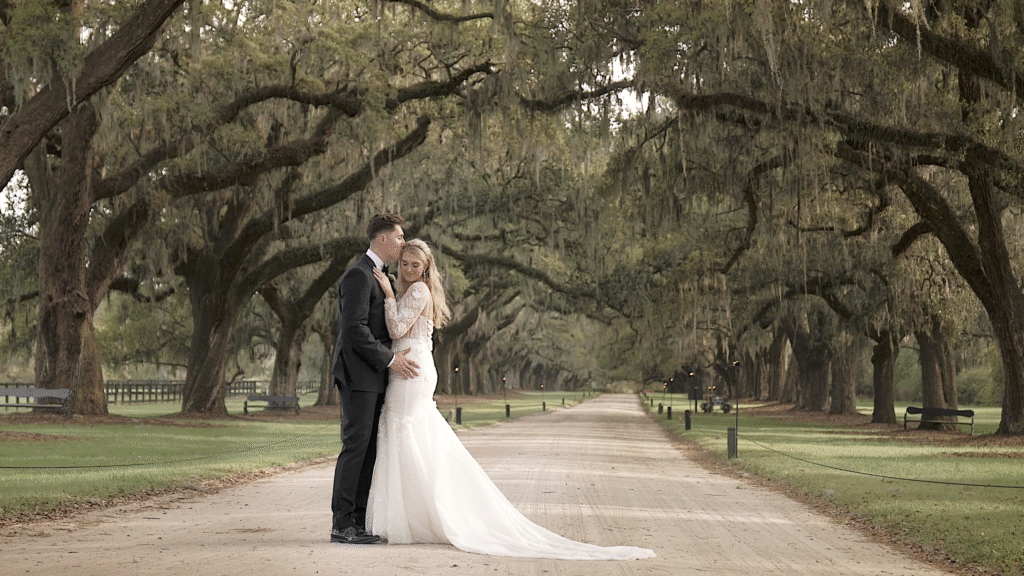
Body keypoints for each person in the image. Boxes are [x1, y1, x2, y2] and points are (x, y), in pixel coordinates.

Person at [366, 239, 655, 560]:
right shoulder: (412, 290)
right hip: (409, 366)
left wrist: (388, 294)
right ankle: (415, 515)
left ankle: (417, 517)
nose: (408, 269)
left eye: (415, 265)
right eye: (404, 263)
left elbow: (396, 329)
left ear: (426, 268)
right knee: (411, 435)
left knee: (404, 431)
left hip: (412, 371)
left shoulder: (418, 290)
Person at [330, 214, 420, 545]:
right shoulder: (358, 274)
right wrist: (391, 359)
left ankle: (358, 520)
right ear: (381, 239)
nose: (403, 243)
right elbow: (354, 329)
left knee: (369, 448)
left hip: (376, 376)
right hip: (357, 375)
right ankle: (342, 523)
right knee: (355, 446)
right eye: (399, 237)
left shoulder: (382, 275)